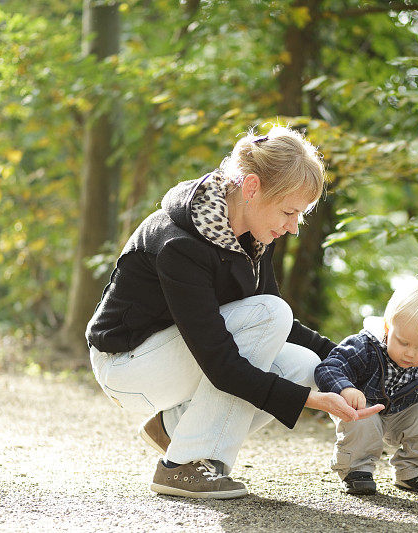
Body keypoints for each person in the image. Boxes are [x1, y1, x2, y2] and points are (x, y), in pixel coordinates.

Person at [86, 125, 383, 500]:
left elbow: (277, 328)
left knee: (305, 366)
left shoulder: (257, 231)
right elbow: (226, 359)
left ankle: (174, 428)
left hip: (182, 358)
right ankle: (184, 466)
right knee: (272, 316)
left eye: (299, 216)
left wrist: (350, 360)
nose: (292, 227)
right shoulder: (180, 244)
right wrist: (309, 401)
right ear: (253, 188)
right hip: (127, 367)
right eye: (289, 212)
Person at [314, 277, 418, 495]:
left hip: (402, 414)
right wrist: (345, 389)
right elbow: (328, 367)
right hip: (362, 409)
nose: (410, 353)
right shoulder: (365, 346)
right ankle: (356, 469)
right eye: (403, 342)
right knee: (362, 417)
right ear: (388, 327)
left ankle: (413, 470)